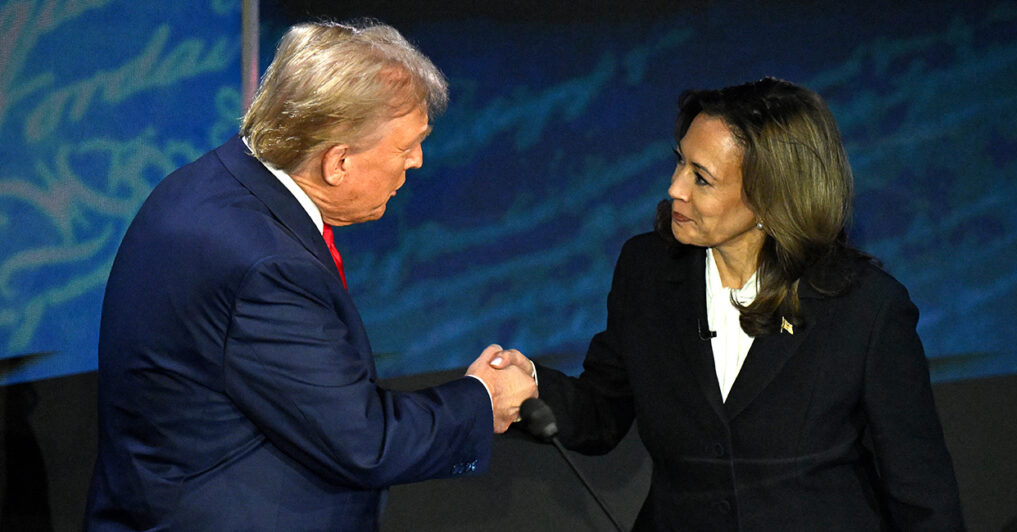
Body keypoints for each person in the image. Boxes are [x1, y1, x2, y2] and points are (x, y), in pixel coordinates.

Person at [84, 21, 536, 530]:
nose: (417, 161)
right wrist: (483, 399)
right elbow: (365, 443)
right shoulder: (267, 265)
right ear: (337, 161)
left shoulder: (210, 184)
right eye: (407, 145)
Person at [494, 77, 964, 530]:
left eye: (702, 178)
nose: (675, 188)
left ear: (769, 196)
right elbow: (603, 411)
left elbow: (920, 490)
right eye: (680, 163)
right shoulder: (648, 271)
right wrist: (531, 388)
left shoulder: (866, 307)